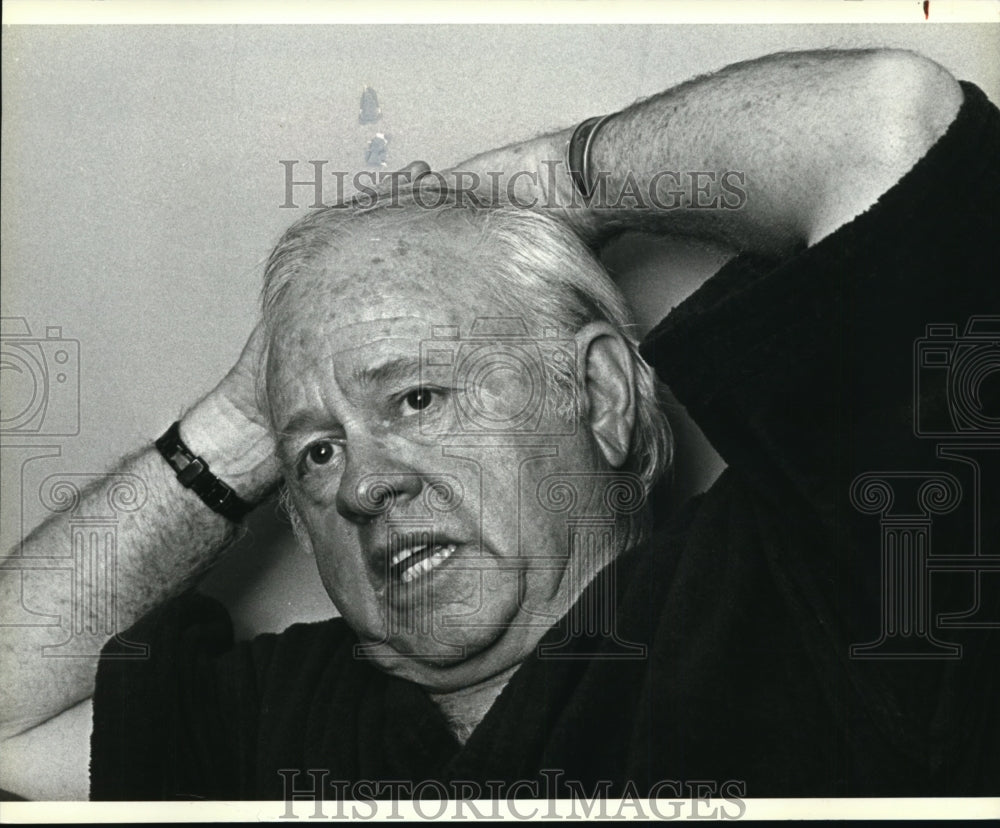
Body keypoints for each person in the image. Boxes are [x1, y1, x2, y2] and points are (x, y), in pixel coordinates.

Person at [1, 47, 997, 801]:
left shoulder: (818, 585)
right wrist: (245, 411)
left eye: (416, 398)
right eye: (315, 457)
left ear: (603, 401)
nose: (359, 485)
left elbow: (884, 122)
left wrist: (557, 182)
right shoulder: (285, 718)